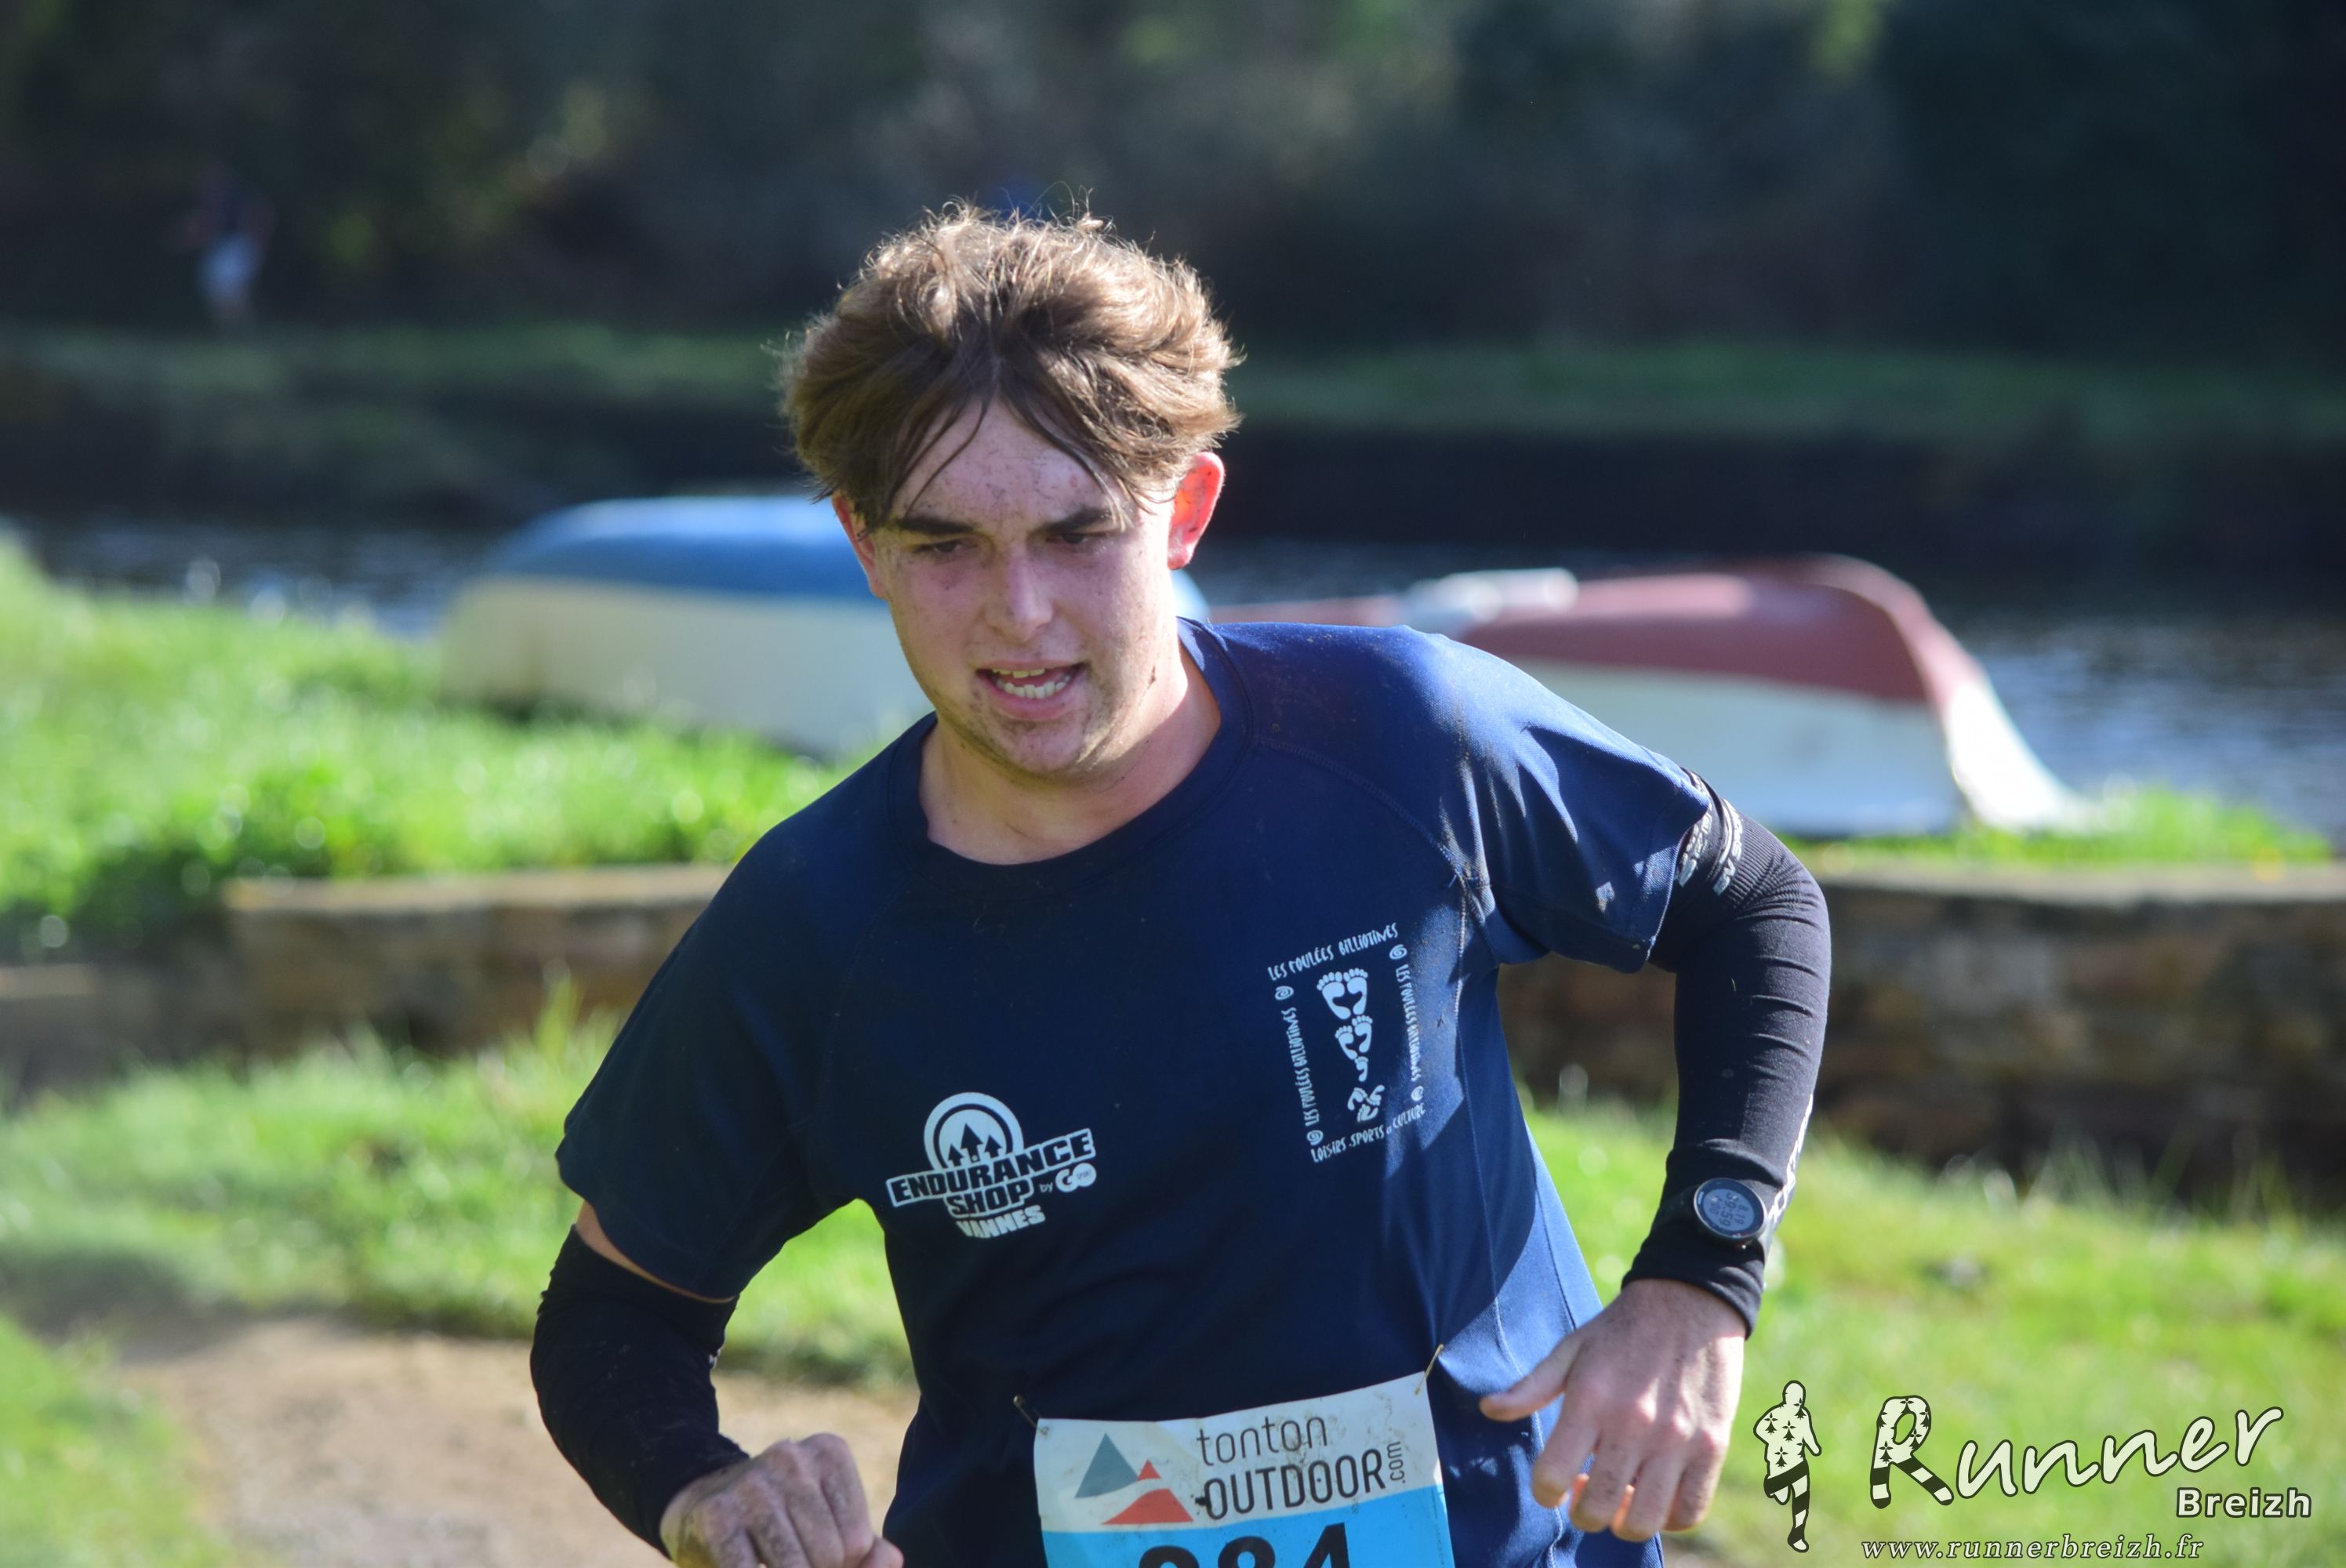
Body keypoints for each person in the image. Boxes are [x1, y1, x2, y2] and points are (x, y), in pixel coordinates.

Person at [532, 206, 1828, 1568]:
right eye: (945, 546)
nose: (1020, 614)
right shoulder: (815, 924)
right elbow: (614, 1315)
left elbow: (1751, 906)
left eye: (1077, 533)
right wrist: (703, 1490)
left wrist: (1702, 1277)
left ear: (1186, 511)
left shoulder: (1403, 740)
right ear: (865, 543)